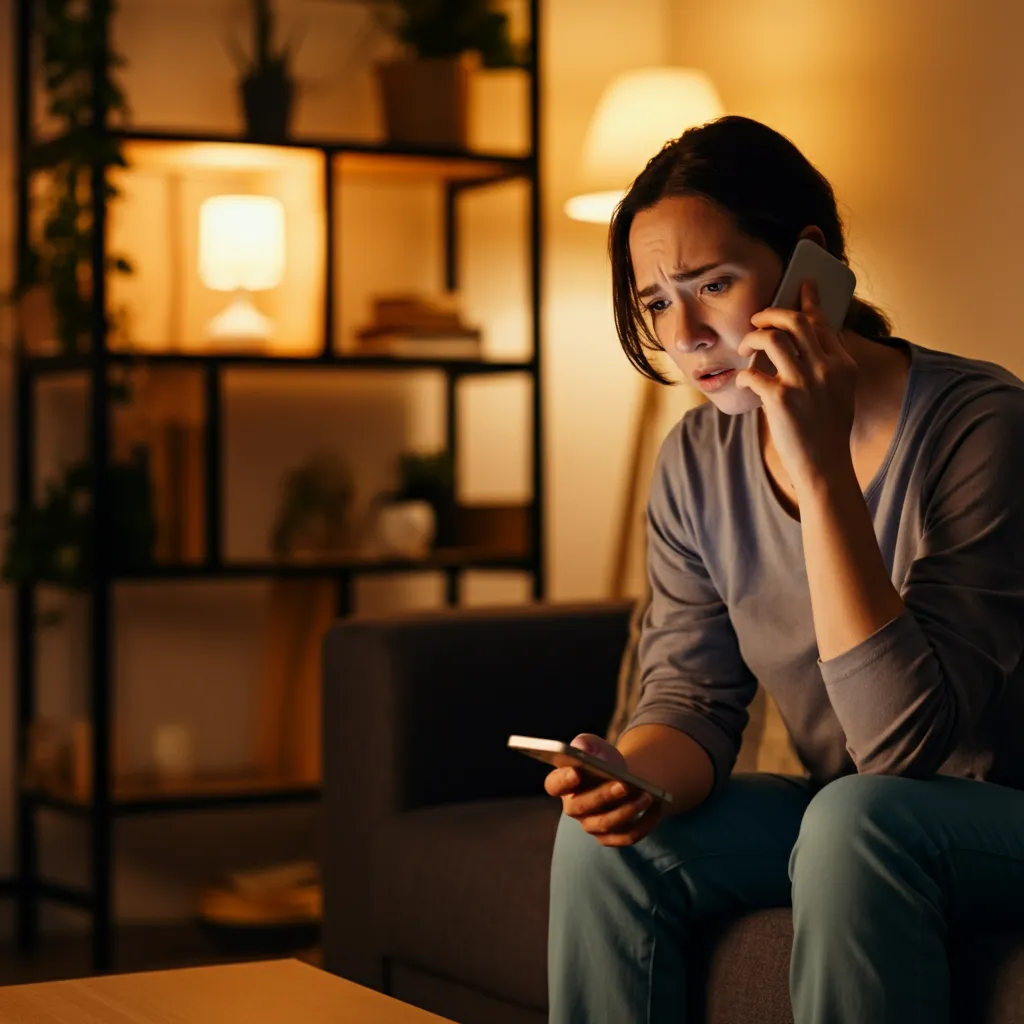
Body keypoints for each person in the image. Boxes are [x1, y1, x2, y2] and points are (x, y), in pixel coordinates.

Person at [545, 115, 1024, 1024]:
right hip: (856, 815)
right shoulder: (696, 457)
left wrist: (819, 464)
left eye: (711, 284)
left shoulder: (982, 425)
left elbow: (899, 749)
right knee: (604, 847)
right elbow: (691, 700)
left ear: (812, 267)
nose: (683, 333)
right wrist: (628, 779)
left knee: (857, 817)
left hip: (991, 814)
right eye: (654, 302)